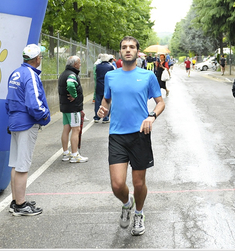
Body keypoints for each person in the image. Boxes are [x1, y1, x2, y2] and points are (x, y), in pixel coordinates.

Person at [97, 36, 165, 236]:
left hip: (140, 135)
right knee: (117, 185)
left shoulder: (147, 76)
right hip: (117, 135)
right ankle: (127, 203)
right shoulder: (111, 76)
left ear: (137, 51)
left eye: (132, 47)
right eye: (124, 47)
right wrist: (103, 109)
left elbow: (160, 102)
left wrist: (152, 117)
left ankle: (139, 213)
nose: (128, 50)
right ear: (120, 52)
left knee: (138, 183)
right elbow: (106, 100)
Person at [5, 44, 50, 216]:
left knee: (16, 163)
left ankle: (15, 201)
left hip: (15, 122)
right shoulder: (31, 74)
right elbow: (34, 104)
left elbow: (8, 100)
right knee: (23, 166)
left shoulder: (16, 72)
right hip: (26, 123)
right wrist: (45, 117)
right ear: (37, 58)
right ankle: (21, 205)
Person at [58, 56, 88, 163]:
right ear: (75, 64)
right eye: (79, 63)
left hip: (65, 107)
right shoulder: (72, 74)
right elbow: (70, 84)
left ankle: (66, 153)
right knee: (76, 130)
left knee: (66, 129)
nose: (80, 65)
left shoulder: (63, 74)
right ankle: (75, 155)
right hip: (73, 108)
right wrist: (74, 95)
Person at [94, 54, 114, 123]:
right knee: (107, 101)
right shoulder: (110, 67)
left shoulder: (97, 66)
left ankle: (97, 117)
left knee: (98, 101)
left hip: (99, 85)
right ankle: (106, 117)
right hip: (106, 85)